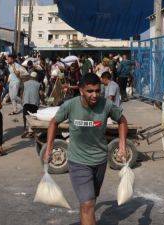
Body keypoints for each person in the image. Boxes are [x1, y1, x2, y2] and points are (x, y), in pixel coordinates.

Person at [43, 73, 128, 225]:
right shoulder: (70, 105)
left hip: (100, 160)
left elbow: (122, 121)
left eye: (97, 90)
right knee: (88, 204)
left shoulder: (106, 105)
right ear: (81, 90)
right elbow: (53, 123)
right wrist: (49, 148)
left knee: (91, 200)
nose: (94, 95)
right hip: (78, 162)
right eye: (90, 91)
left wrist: (122, 145)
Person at [22, 71, 42, 137]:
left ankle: (25, 128)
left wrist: (22, 100)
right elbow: (41, 93)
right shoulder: (38, 84)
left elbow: (22, 92)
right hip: (34, 102)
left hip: (26, 101)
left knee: (25, 115)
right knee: (33, 116)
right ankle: (32, 130)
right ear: (36, 77)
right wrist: (43, 100)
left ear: (30, 77)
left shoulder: (25, 83)